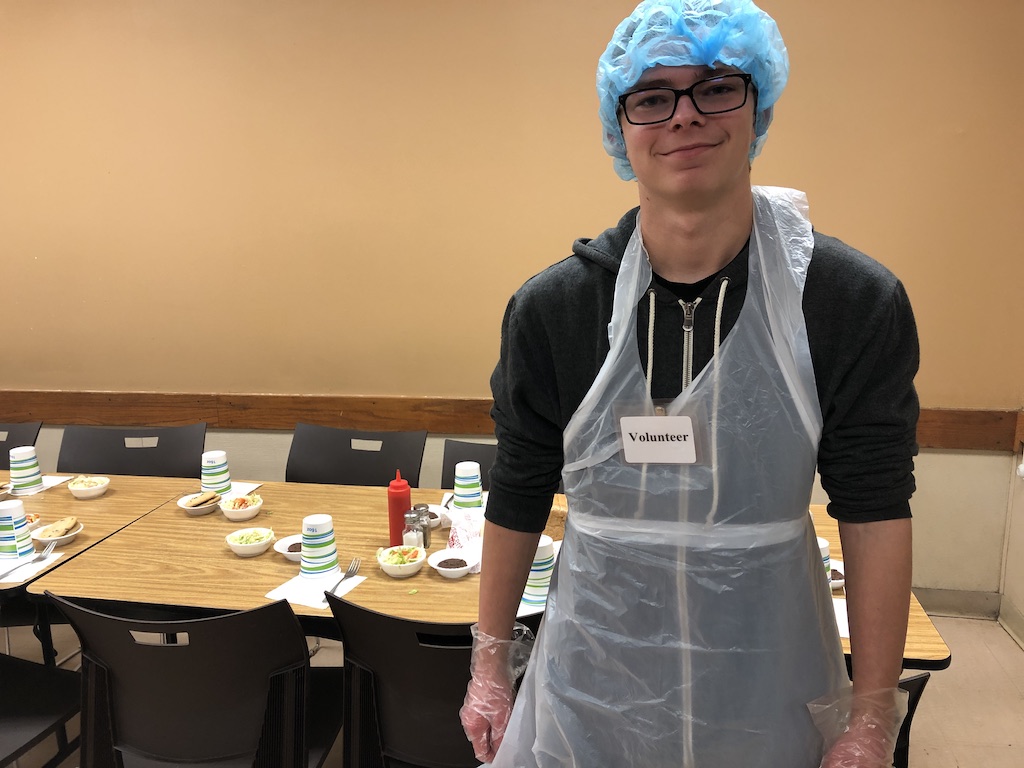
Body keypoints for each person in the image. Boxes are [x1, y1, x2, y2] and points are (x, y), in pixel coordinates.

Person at [461, 1, 918, 766]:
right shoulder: (555, 311)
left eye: (714, 87)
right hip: (593, 686)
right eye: (652, 96)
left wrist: (869, 713)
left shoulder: (845, 302)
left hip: (765, 676)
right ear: (621, 128)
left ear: (757, 104)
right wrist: (488, 669)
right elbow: (518, 489)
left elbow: (874, 505)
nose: (683, 117)